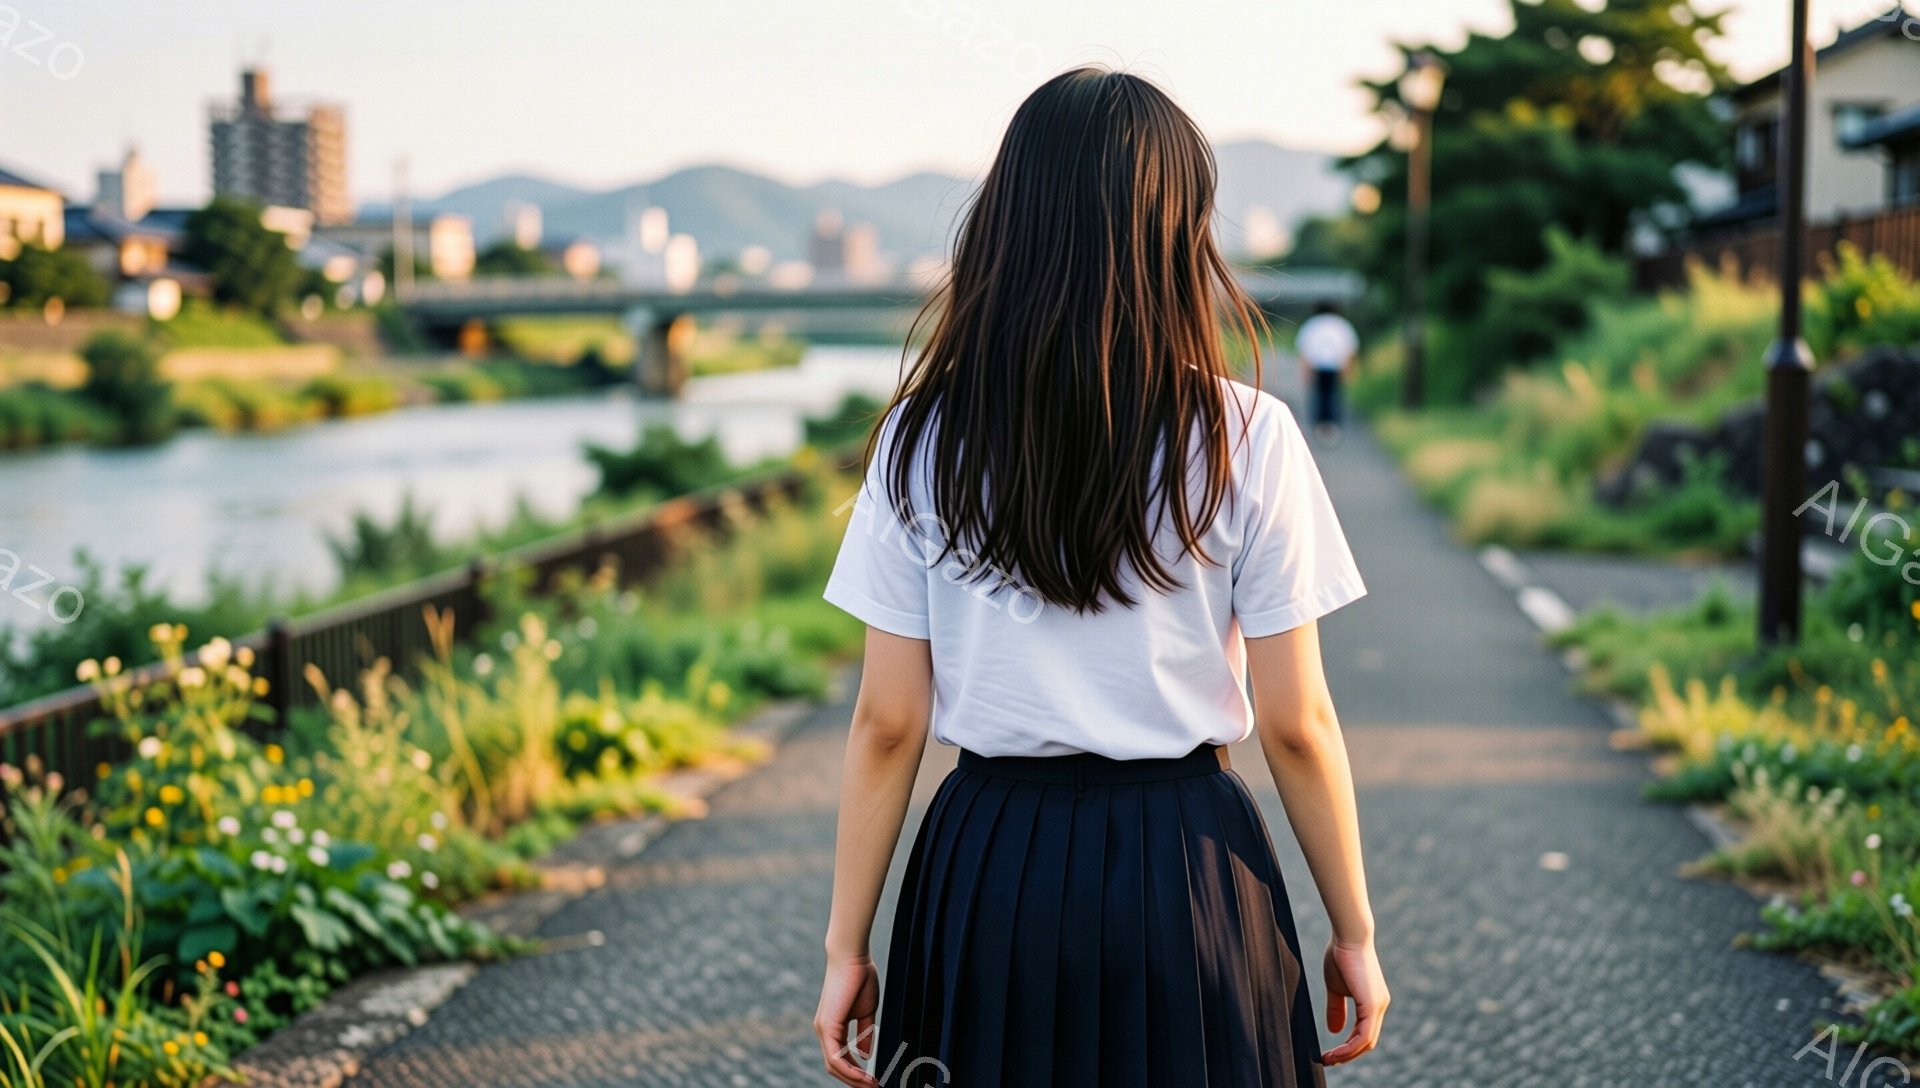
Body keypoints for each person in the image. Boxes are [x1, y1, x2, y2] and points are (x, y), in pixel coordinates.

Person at [812, 67, 1387, 1088]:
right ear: (1181, 234)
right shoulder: (1248, 435)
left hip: (986, 867)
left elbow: (888, 722)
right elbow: (1299, 722)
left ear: (1006, 222)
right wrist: (1354, 929)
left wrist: (846, 948)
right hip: (1190, 865)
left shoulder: (921, 436)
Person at [1295, 301, 1360, 442]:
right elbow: (1349, 349)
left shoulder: (1312, 325)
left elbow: (1304, 349)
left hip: (1316, 365)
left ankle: (1320, 424)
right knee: (1333, 396)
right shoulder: (1341, 325)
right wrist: (1350, 369)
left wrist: (1304, 371)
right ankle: (1332, 424)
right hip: (1336, 366)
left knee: (1319, 396)